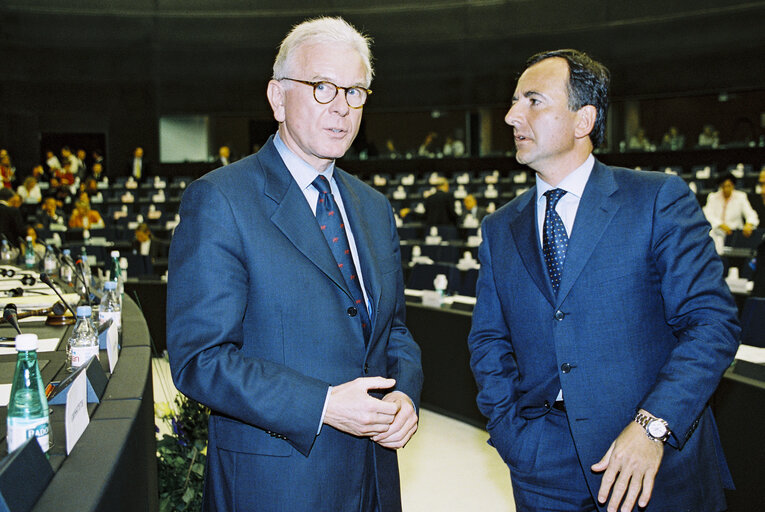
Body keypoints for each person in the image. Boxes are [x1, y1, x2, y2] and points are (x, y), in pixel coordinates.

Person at [166, 17, 422, 512]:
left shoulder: (373, 207)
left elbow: (394, 333)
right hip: (275, 483)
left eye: (355, 92)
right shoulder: (221, 200)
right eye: (322, 87)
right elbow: (201, 359)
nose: (341, 108)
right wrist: (323, 404)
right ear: (278, 98)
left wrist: (405, 395)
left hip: (373, 480)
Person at [467, 49, 739, 512]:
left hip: (652, 461)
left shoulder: (655, 199)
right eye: (514, 101)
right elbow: (489, 341)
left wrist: (653, 427)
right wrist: (512, 435)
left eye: (533, 101)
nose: (512, 116)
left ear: (583, 120)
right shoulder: (499, 227)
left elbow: (712, 325)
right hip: (542, 466)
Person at [703, 172, 759, 253]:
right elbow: (708, 214)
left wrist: (749, 224)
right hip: (716, 233)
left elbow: (751, 214)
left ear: (733, 185)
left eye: (729, 186)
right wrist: (720, 225)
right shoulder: (712, 197)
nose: (726, 189)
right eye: (723, 186)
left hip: (733, 235)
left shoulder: (741, 196)